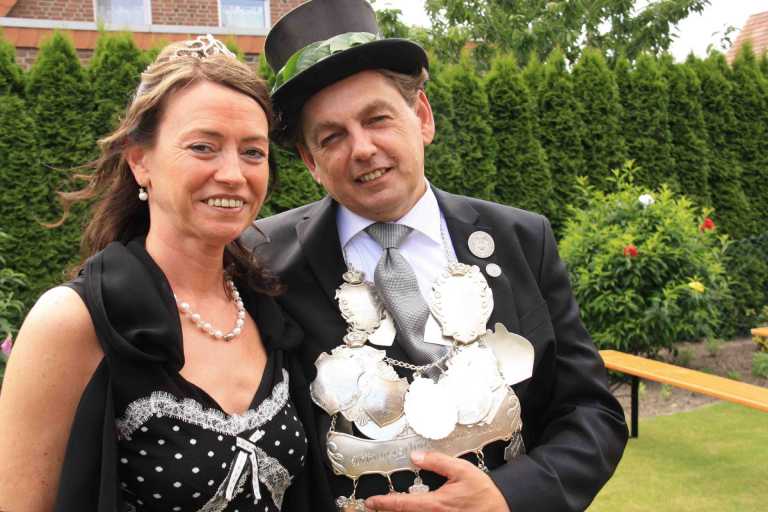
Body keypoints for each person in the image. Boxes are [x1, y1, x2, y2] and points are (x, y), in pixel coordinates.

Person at [244, 1, 629, 511]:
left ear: (422, 117)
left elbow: (591, 413)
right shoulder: (261, 261)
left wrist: (508, 498)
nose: (362, 148)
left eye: (377, 119)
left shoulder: (521, 239)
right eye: (332, 136)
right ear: (310, 160)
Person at [0, 35, 323, 511]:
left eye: (252, 152)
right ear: (140, 161)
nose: (233, 174)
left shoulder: (268, 307)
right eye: (203, 147)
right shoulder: (74, 321)